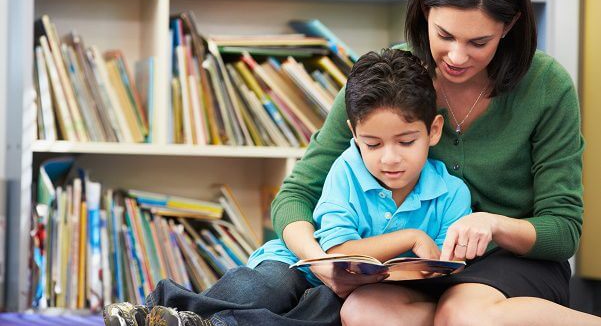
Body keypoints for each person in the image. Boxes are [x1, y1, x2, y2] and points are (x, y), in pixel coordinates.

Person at [271, 0, 601, 325]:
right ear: (425, 12)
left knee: (463, 313)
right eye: (444, 35)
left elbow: (563, 230)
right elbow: (296, 194)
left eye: (478, 41)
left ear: (510, 25)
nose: (457, 56)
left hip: (511, 261)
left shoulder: (547, 85)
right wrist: (320, 260)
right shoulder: (388, 78)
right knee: (363, 311)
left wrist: (494, 225)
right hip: (417, 267)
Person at [104, 48, 472, 326]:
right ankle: (161, 311)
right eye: (372, 144)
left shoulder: (451, 193)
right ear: (354, 134)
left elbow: (444, 271)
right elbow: (337, 250)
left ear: (434, 130)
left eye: (406, 142)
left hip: (361, 293)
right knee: (266, 286)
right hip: (299, 261)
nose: (389, 159)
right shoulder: (347, 170)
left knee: (323, 314)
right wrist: (409, 238)